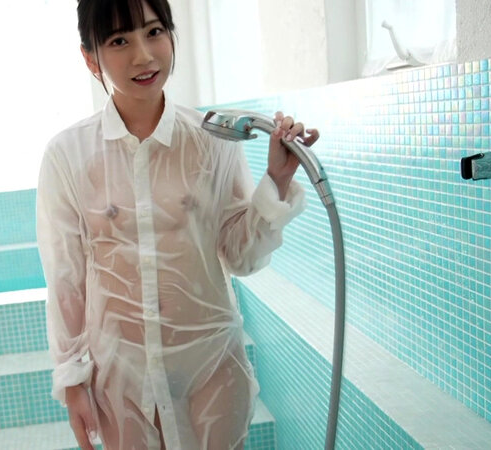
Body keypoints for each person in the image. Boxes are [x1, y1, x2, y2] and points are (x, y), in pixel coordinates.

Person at [36, 1, 319, 448]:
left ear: (171, 34)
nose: (143, 56)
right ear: (91, 57)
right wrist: (73, 378)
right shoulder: (68, 155)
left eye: (154, 32)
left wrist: (277, 180)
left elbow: (241, 256)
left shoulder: (213, 140)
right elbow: (65, 279)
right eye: (119, 40)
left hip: (211, 368)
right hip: (121, 377)